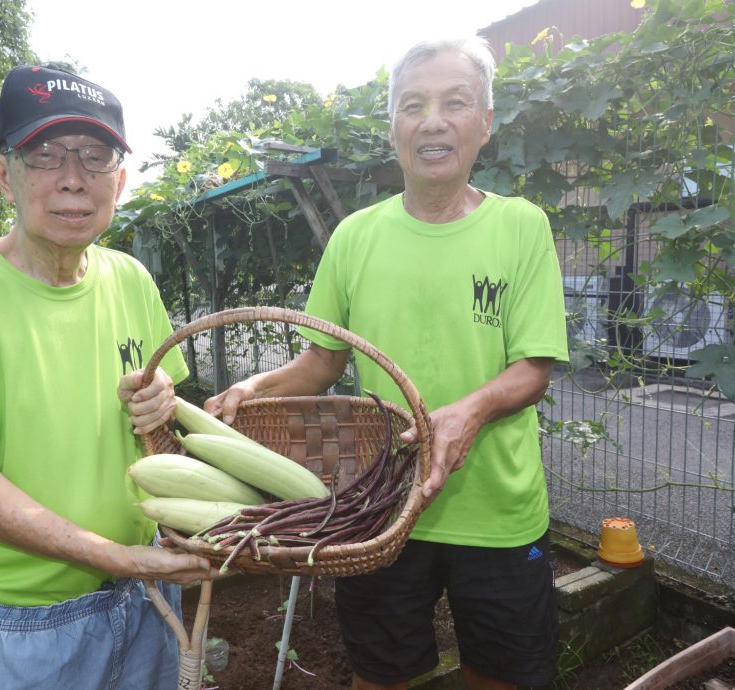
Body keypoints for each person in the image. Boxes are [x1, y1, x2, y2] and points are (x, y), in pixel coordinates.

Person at [206, 37, 568, 690]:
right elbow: (320, 363)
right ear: (393, 129)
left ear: (484, 123)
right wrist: (254, 388)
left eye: (454, 102)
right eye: (412, 105)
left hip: (498, 513)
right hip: (376, 506)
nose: (432, 120)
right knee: (380, 674)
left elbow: (532, 369)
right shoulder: (355, 237)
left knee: (505, 675)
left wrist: (470, 410)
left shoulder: (520, 227)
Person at [0, 65, 214, 689]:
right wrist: (118, 556)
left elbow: (163, 431)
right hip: (26, 632)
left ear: (119, 181)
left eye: (95, 158)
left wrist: (162, 403)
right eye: (45, 155)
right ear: (2, 173)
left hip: (146, 604)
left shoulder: (132, 280)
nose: (72, 179)